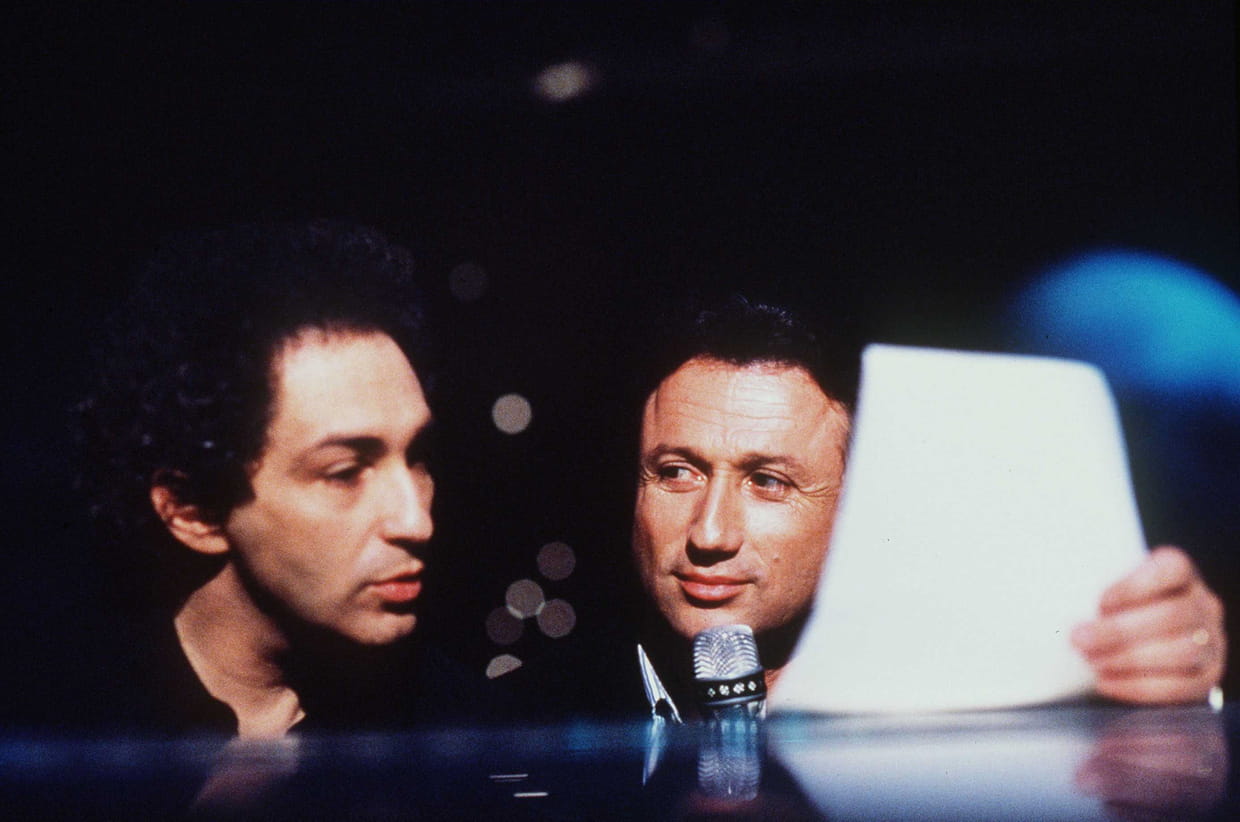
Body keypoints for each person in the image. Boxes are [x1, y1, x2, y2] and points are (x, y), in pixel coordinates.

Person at [626, 295, 1227, 721]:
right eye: (676, 472)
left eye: (768, 482)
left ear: (858, 505)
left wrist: (1174, 684)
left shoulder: (955, 695)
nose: (710, 533)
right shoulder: (567, 697)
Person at [72, 220, 490, 737]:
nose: (416, 521)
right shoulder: (52, 718)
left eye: (417, 458)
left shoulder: (472, 740)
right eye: (345, 473)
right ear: (191, 509)